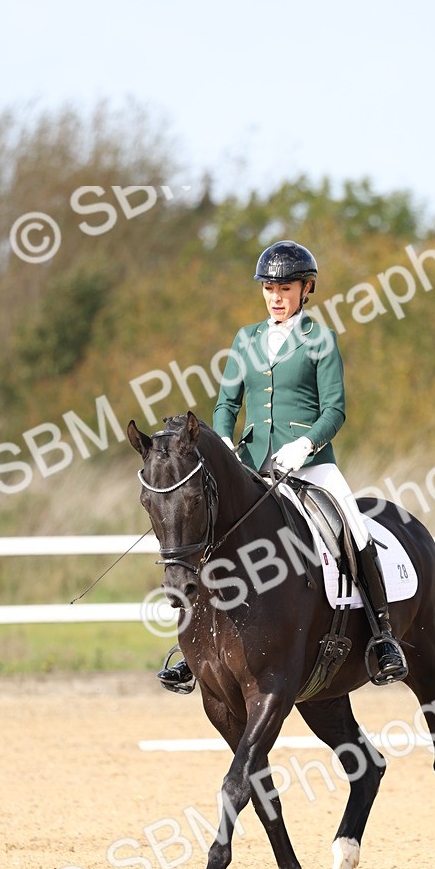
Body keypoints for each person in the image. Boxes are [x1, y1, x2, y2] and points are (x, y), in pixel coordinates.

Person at [158, 240, 408, 693]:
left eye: (285, 288)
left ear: (305, 289)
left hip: (309, 466)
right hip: (252, 465)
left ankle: (383, 635)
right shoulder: (245, 338)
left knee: (354, 528)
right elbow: (226, 404)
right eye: (269, 287)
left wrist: (306, 444)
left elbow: (335, 409)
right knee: (206, 536)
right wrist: (226, 448)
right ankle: (194, 647)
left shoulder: (320, 339)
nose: (276, 296)